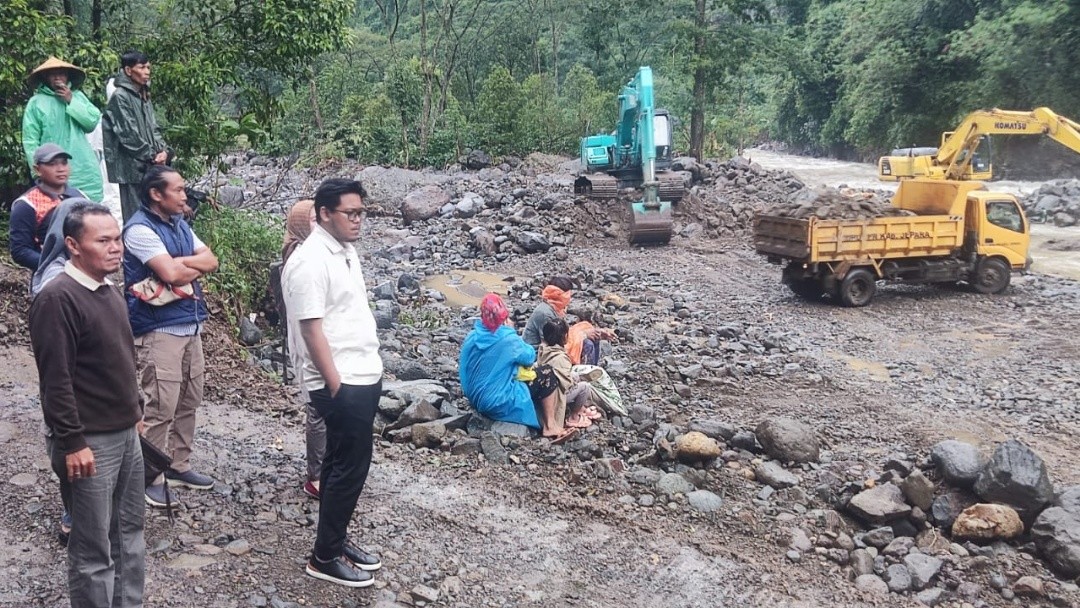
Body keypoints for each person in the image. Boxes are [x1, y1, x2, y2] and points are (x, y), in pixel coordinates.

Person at [29, 202, 145, 608]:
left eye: (118, 239)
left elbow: (120, 360)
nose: (116, 248)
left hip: (125, 432)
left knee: (129, 532)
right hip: (90, 440)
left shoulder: (107, 289)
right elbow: (55, 380)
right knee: (93, 546)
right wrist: (72, 440)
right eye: (104, 240)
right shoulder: (57, 299)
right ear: (74, 245)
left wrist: (136, 413)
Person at [282, 179, 383, 588]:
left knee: (345, 464)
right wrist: (336, 385)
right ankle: (323, 556)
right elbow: (310, 329)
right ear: (324, 214)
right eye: (351, 213)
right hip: (340, 380)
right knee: (346, 468)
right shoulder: (309, 261)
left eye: (362, 213)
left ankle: (335, 540)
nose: (358, 221)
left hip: (362, 371)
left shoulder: (345, 252)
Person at [122, 165, 217, 508]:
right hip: (158, 328)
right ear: (155, 194)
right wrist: (184, 267)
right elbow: (171, 273)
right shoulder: (138, 230)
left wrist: (181, 266)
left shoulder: (179, 224)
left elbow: (212, 260)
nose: (184, 195)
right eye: (177, 190)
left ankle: (178, 464)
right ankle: (150, 476)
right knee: (160, 405)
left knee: (190, 398)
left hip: (190, 324)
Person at [280, 200, 324, 499]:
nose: (316, 224)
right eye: (310, 219)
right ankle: (317, 477)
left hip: (318, 343)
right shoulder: (298, 259)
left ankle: (325, 470)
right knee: (318, 411)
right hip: (308, 345)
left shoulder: (316, 253)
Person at [22, 57, 104, 203]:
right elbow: (30, 140)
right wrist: (37, 171)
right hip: (51, 168)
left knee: (89, 214)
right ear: (45, 77)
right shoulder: (36, 103)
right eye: (53, 74)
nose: (58, 77)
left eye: (61, 73)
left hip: (83, 167)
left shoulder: (78, 96)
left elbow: (91, 122)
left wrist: (70, 100)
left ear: (67, 76)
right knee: (57, 214)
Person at [103, 50, 169, 222]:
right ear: (128, 70)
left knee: (156, 211)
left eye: (148, 67)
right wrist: (151, 155)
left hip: (151, 163)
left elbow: (153, 127)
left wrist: (163, 150)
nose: (147, 71)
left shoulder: (144, 95)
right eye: (142, 67)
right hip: (131, 167)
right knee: (136, 214)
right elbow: (127, 134)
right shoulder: (120, 97)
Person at [459, 293, 542, 430]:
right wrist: (511, 332)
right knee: (546, 376)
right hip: (496, 402)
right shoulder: (508, 339)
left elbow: (464, 368)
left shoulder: (472, 336)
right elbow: (529, 357)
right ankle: (547, 423)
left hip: (474, 398)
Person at [9, 144, 87, 271]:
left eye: (64, 163)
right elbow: (20, 250)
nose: (60, 169)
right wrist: (53, 267)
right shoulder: (27, 204)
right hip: (52, 275)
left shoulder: (79, 196)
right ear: (37, 169)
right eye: (52, 164)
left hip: (88, 270)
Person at [522, 276, 614, 365]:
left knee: (594, 337)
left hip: (551, 346)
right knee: (587, 344)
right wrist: (583, 335)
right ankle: (583, 376)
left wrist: (595, 332)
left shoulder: (555, 308)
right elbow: (554, 345)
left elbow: (563, 333)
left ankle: (594, 371)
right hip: (538, 355)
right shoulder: (545, 314)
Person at [536, 319, 603, 430]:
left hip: (543, 392)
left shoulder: (543, 349)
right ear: (564, 337)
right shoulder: (561, 358)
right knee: (585, 387)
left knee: (575, 377)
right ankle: (574, 415)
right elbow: (565, 385)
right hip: (555, 396)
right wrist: (575, 380)